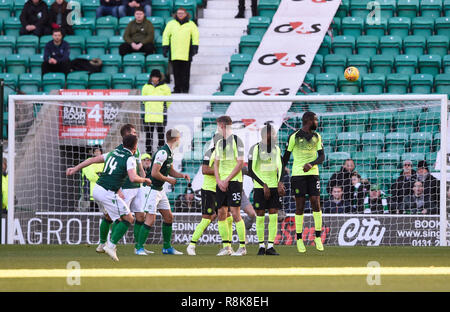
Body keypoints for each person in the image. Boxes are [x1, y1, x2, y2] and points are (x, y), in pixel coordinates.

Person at [66, 134, 152, 261]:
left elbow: (92, 160)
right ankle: (110, 246)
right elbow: (133, 178)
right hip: (107, 192)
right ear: (135, 146)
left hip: (97, 190)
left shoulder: (113, 153)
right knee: (128, 218)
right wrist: (145, 179)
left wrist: (75, 168)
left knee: (112, 216)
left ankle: (102, 244)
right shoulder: (130, 158)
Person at [135, 128, 190, 255]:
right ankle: (139, 248)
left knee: (169, 217)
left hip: (159, 190)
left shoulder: (169, 152)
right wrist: (168, 180)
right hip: (151, 189)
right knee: (150, 219)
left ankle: (167, 247)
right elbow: (154, 173)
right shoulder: (163, 153)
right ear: (176, 139)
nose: (180, 141)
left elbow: (169, 170)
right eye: (179, 139)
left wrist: (181, 175)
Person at [282, 111, 325, 253]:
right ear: (309, 120)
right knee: (299, 206)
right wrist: (280, 178)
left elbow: (322, 157)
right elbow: (286, 158)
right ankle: (299, 239)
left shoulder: (317, 137)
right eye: (316, 120)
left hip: (313, 174)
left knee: (315, 202)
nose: (317, 123)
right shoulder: (294, 137)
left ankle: (317, 237)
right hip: (298, 176)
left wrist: (311, 164)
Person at [247, 124, 285, 255]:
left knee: (273, 217)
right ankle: (261, 246)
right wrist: (263, 184)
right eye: (273, 134)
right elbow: (251, 170)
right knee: (260, 217)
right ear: (265, 135)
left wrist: (280, 182)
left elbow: (281, 167)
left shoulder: (277, 149)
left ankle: (270, 246)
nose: (275, 136)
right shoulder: (255, 149)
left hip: (274, 187)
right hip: (260, 188)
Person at [115, 124, 151, 256]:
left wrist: (144, 180)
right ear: (127, 134)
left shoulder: (136, 149)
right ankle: (110, 244)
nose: (136, 134)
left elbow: (140, 168)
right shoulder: (118, 151)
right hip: (125, 188)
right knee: (121, 218)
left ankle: (139, 247)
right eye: (133, 132)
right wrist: (118, 189)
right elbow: (117, 172)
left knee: (141, 216)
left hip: (138, 187)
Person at [214, 116, 247, 256]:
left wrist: (227, 179)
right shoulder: (218, 142)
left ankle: (242, 247)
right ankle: (226, 247)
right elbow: (215, 163)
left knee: (235, 213)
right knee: (221, 213)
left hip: (234, 182)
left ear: (222, 125)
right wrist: (219, 180)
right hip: (221, 182)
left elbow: (240, 163)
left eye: (217, 126)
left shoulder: (237, 141)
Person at [162, 8, 199, 93]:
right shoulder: (171, 24)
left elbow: (195, 36)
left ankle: (185, 89)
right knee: (176, 72)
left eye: (182, 13)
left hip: (187, 52)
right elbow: (166, 36)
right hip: (174, 53)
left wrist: (195, 47)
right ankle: (177, 89)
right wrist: (165, 47)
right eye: (178, 13)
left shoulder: (191, 24)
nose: (180, 14)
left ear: (186, 14)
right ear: (176, 14)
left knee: (186, 72)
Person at [141, 69, 171, 155]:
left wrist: (162, 108)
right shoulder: (146, 87)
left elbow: (168, 101)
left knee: (161, 137)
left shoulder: (165, 87)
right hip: (149, 116)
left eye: (156, 77)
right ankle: (149, 154)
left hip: (160, 116)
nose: (154, 79)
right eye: (153, 77)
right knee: (148, 137)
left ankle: (160, 154)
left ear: (159, 78)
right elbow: (143, 101)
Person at [80, 146, 104, 211]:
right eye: (95, 151)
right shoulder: (88, 161)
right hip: (89, 192)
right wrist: (102, 177)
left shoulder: (104, 162)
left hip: (101, 192)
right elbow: (91, 176)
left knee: (102, 212)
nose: (97, 153)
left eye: (98, 151)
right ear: (93, 152)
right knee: (86, 211)